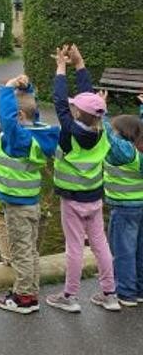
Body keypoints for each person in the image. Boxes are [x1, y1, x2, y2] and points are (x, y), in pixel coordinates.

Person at [46, 44, 121, 313]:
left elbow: (58, 100)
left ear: (77, 112)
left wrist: (61, 67)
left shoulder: (68, 132)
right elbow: (91, 102)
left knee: (74, 247)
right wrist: (80, 65)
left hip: (73, 200)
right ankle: (110, 294)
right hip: (95, 197)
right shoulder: (101, 131)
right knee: (100, 245)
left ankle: (70, 295)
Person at [0, 74, 60, 315]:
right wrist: (27, 89)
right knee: (30, 250)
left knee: (20, 252)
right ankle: (31, 291)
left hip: (17, 205)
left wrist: (7, 89)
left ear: (19, 117)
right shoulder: (39, 134)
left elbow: (8, 120)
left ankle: (23, 298)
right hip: (32, 202)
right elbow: (32, 113)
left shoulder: (18, 139)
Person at [102, 100, 143, 307]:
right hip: (140, 207)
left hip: (124, 209)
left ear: (124, 134)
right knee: (139, 250)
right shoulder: (139, 151)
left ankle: (125, 292)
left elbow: (107, 135)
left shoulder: (125, 154)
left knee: (123, 251)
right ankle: (139, 289)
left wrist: (101, 111)